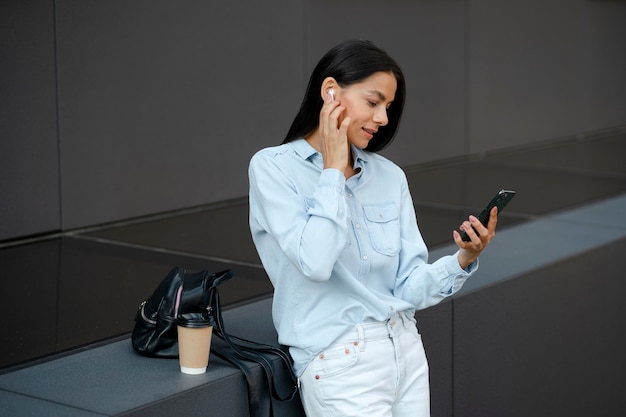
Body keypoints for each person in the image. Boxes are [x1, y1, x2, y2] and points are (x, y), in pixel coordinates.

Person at [248, 40, 497, 417]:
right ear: (331, 92)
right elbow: (315, 262)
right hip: (339, 360)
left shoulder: (389, 176)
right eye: (373, 101)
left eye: (388, 107)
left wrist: (464, 258)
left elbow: (408, 286)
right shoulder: (273, 168)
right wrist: (332, 170)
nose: (382, 118)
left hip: (406, 350)